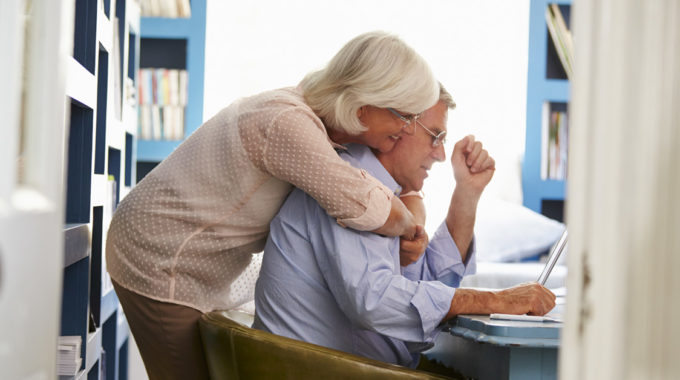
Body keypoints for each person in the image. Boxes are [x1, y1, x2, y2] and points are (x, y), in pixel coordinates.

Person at [106, 31, 440, 380]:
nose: (408, 129)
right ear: (366, 103)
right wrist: (410, 222)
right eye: (405, 116)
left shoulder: (318, 122)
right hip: (159, 256)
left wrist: (410, 202)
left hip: (192, 260)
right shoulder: (287, 122)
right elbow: (365, 206)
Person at [253, 86, 556, 372]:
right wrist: (496, 299)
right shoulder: (349, 188)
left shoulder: (382, 194)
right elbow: (373, 300)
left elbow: (429, 282)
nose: (439, 154)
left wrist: (467, 192)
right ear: (397, 127)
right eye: (434, 137)